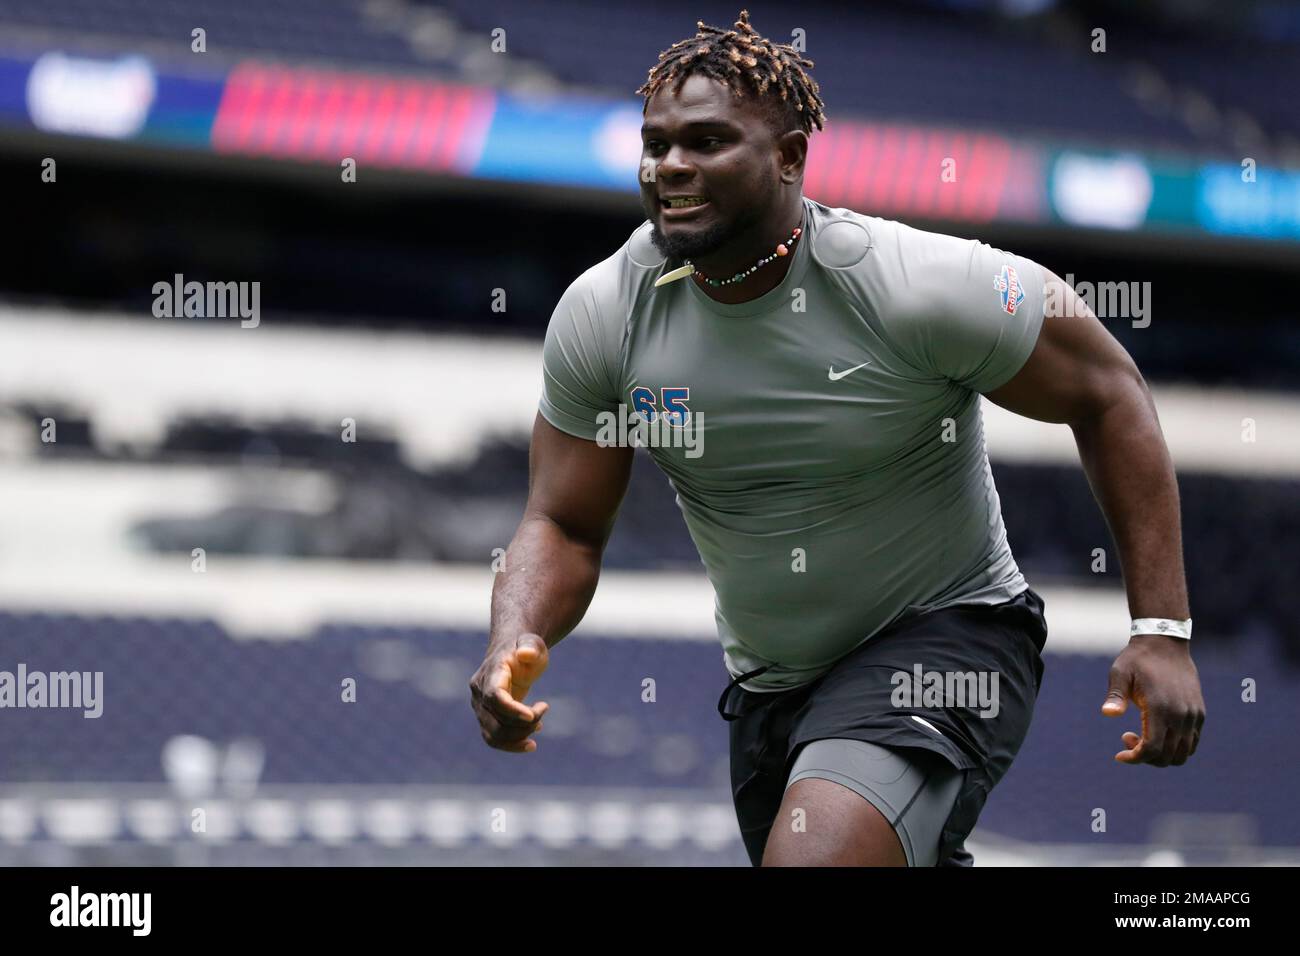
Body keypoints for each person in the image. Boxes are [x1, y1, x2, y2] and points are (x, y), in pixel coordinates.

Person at [469, 9, 1205, 866]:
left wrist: (1162, 627)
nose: (670, 165)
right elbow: (562, 522)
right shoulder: (604, 314)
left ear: (789, 156)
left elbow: (1110, 391)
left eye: (706, 141)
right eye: (657, 142)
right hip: (772, 691)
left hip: (947, 637)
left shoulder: (911, 285)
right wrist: (512, 638)